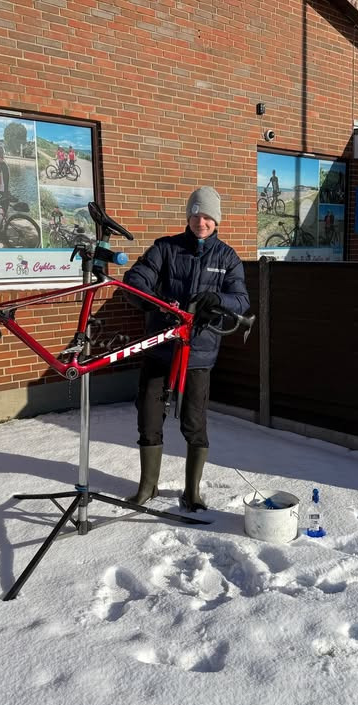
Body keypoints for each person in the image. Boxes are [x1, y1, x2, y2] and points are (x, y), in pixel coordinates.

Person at [123, 186, 249, 511]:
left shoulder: (227, 258)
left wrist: (217, 300)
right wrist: (157, 301)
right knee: (149, 418)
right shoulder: (165, 249)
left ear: (216, 220)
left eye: (207, 216)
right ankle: (147, 487)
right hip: (160, 350)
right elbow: (135, 279)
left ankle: (192, 491)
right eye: (196, 214)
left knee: (194, 422)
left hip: (198, 356)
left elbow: (242, 301)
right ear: (188, 216)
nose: (201, 222)